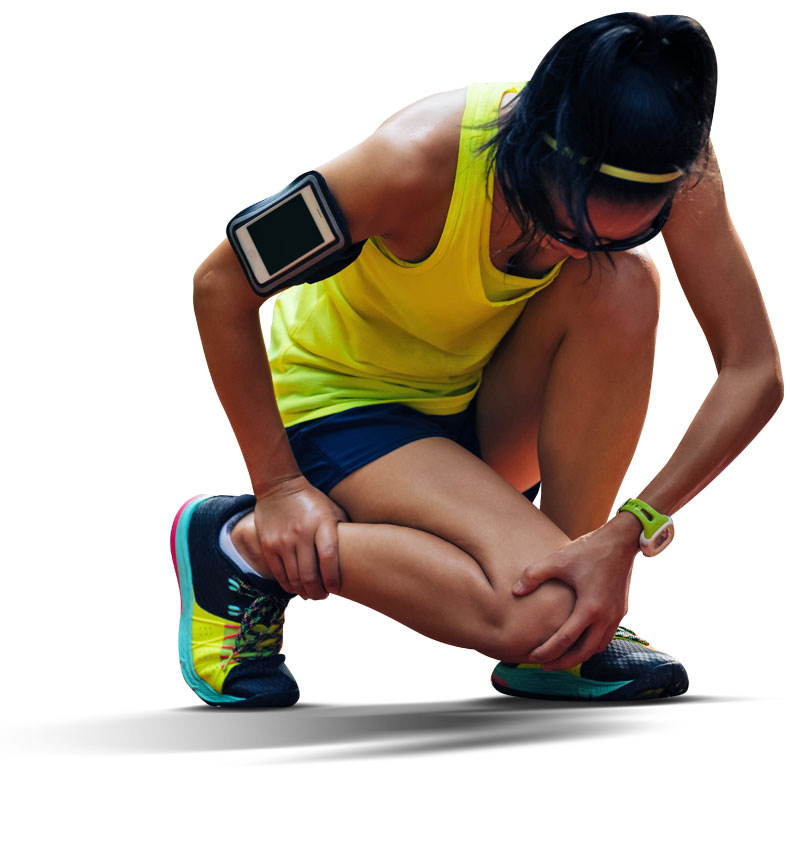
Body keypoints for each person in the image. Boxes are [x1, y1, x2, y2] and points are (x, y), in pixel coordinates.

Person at [171, 12, 783, 707]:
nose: (575, 252)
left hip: (474, 403)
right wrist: (279, 485)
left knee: (623, 284)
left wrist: (626, 528)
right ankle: (241, 547)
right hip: (343, 407)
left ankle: (567, 620)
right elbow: (220, 283)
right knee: (543, 612)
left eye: (622, 233)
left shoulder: (670, 162)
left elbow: (753, 368)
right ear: (538, 153)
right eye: (563, 227)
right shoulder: (408, 161)